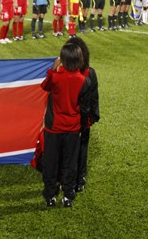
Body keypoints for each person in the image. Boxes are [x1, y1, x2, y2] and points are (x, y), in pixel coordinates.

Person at [40, 42, 90, 208]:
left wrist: (53, 69)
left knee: (51, 162)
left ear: (62, 59)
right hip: (73, 128)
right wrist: (83, 127)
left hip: (53, 128)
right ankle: (68, 195)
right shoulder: (84, 80)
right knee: (70, 163)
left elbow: (44, 87)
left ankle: (50, 195)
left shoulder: (55, 77)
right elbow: (85, 107)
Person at [65, 36, 100, 194]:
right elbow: (94, 98)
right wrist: (93, 117)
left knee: (69, 150)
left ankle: (70, 179)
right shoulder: (89, 72)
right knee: (82, 149)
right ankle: (80, 179)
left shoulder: (64, 74)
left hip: (68, 120)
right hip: (83, 120)